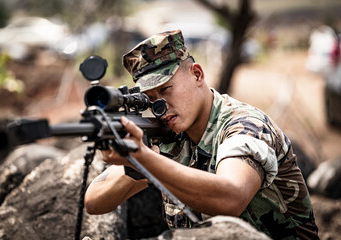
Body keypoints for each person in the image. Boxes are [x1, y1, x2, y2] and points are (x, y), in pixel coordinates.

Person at [84, 30, 319, 239]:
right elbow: (93, 201)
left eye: (166, 89)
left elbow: (231, 197)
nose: (161, 107)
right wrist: (136, 163)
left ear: (197, 74)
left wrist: (147, 159)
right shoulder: (168, 134)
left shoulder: (244, 125)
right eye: (152, 99)